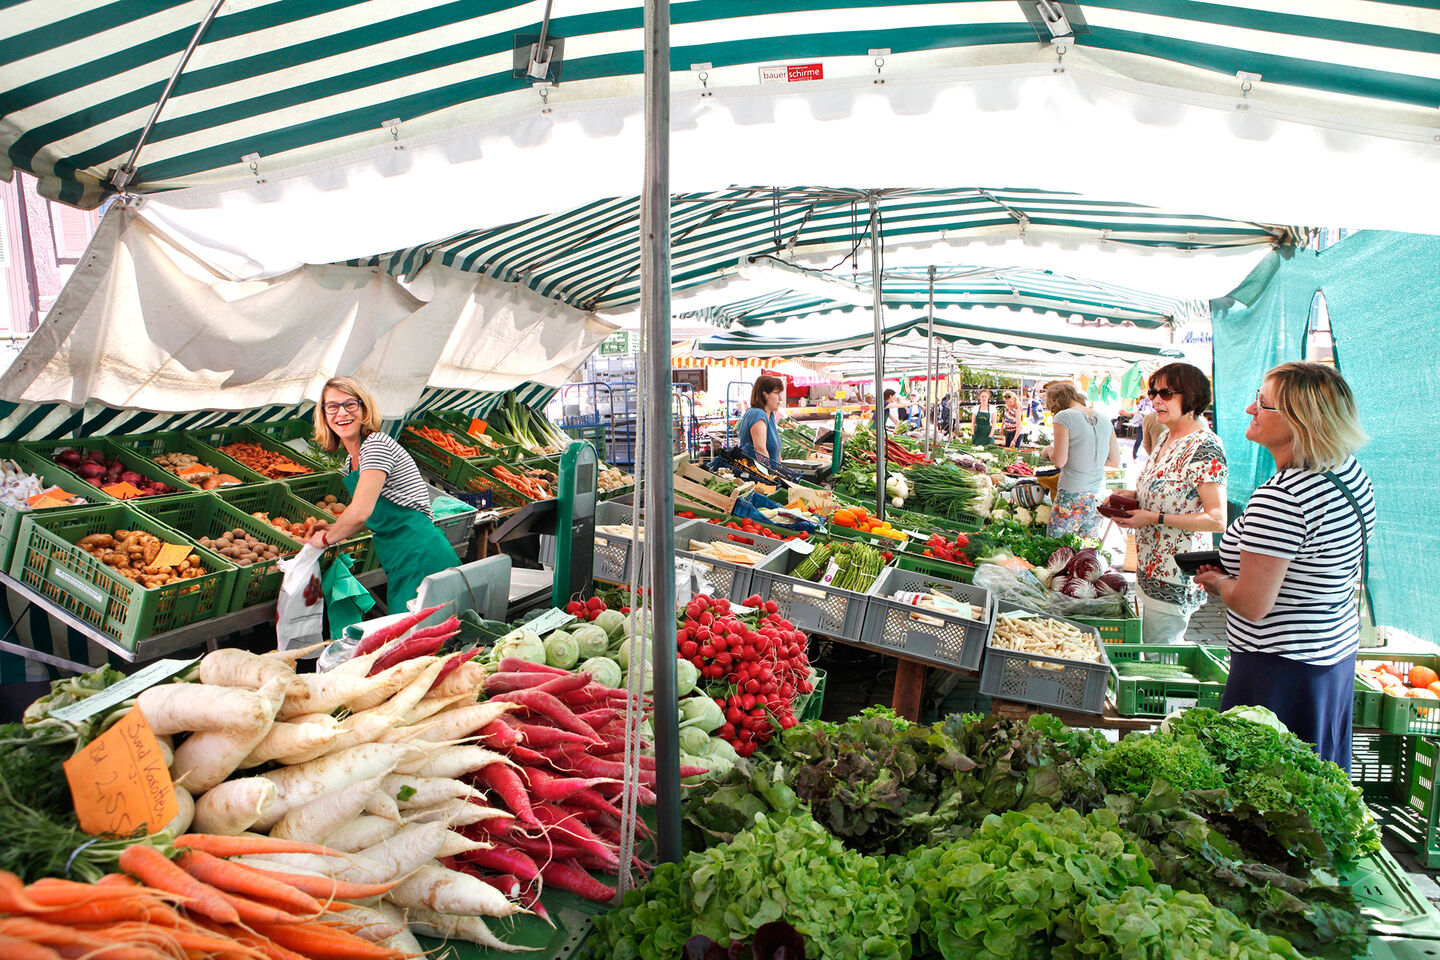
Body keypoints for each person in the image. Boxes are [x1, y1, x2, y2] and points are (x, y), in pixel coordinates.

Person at [1194, 362, 1374, 771]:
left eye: (1263, 403)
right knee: (1311, 781)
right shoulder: (1348, 472)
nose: (1249, 409)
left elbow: (1253, 604)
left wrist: (1218, 580)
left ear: (1299, 420)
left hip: (1279, 668)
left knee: (1264, 788)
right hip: (1330, 655)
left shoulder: (1284, 497)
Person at [305, 377, 458, 610]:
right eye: (332, 407)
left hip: (421, 555)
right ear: (324, 415)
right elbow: (375, 515)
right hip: (399, 560)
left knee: (422, 629)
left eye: (350, 404)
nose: (341, 413)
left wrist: (325, 540)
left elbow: (360, 512)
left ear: (364, 409)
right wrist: (334, 528)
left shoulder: (376, 445)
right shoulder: (351, 461)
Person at [1111, 363, 1227, 643]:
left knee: (1161, 654)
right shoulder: (1166, 436)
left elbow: (1217, 519)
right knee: (1151, 648)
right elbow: (1166, 492)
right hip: (1148, 565)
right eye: (1153, 392)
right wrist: (1130, 497)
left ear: (1193, 398)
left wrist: (1154, 518)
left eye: (1166, 393)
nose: (1156, 400)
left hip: (1175, 575)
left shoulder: (1205, 446)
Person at [1041, 382, 1121, 538]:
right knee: (1087, 547)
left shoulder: (1064, 417)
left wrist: (1048, 450)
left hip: (1071, 494)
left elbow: (1060, 461)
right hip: (1097, 495)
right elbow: (1113, 461)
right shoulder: (1104, 418)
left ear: (1054, 402)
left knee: (1058, 546)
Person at [739, 374, 784, 464]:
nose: (780, 398)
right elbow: (760, 450)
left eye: (780, 394)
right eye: (777, 393)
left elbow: (775, 452)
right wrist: (770, 472)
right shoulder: (757, 414)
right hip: (756, 472)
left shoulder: (770, 415)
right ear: (764, 394)